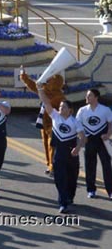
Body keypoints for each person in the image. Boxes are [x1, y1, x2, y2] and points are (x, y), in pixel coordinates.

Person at [37, 84, 85, 213]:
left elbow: (82, 137)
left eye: (63, 107)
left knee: (72, 178)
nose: (60, 108)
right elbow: (46, 103)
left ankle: (69, 197)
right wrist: (40, 89)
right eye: (59, 107)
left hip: (72, 153)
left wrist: (78, 148)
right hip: (59, 152)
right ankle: (62, 202)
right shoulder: (56, 117)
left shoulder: (75, 122)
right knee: (59, 177)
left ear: (70, 110)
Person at [20, 70, 65, 177]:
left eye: (50, 81)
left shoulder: (59, 96)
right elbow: (33, 85)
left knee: (52, 145)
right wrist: (24, 75)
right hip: (44, 122)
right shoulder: (45, 90)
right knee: (46, 144)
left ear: (55, 83)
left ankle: (54, 167)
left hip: (53, 124)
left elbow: (66, 110)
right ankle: (49, 165)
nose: (47, 82)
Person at [76, 89, 112, 199]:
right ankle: (91, 189)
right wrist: (82, 136)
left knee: (106, 166)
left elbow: (111, 123)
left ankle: (110, 191)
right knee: (90, 165)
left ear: (96, 97)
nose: (87, 98)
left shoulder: (105, 110)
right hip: (89, 140)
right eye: (87, 96)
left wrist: (108, 134)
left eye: (89, 96)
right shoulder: (82, 110)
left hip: (102, 141)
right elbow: (77, 124)